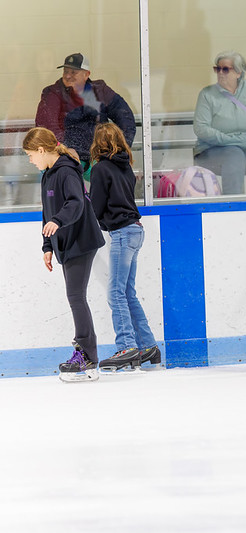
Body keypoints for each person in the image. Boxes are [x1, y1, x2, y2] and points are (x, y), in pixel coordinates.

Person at [23, 127, 105, 382]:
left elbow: (75, 203)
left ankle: (87, 356)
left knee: (76, 296)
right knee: (75, 296)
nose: (30, 160)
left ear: (41, 149)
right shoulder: (48, 175)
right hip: (66, 244)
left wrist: (58, 221)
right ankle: (86, 354)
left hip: (81, 240)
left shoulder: (67, 170)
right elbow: (47, 213)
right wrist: (47, 246)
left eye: (30, 155)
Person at [88, 123, 162, 372]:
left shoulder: (100, 170)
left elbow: (97, 206)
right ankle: (148, 345)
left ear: (97, 144)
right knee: (127, 292)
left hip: (121, 233)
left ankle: (127, 346)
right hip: (136, 230)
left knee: (116, 293)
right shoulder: (126, 168)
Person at [35, 53, 136, 182]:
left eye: (73, 72)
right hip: (67, 159)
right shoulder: (53, 93)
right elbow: (46, 127)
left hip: (98, 158)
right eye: (65, 71)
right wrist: (64, 149)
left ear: (86, 74)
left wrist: (119, 150)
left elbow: (125, 117)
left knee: (114, 185)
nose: (67, 76)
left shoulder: (100, 91)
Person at [193, 50, 246, 195]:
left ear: (238, 73)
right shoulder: (207, 94)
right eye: (217, 69)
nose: (220, 73)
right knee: (234, 155)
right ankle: (231, 205)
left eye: (225, 69)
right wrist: (231, 140)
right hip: (213, 149)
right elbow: (201, 128)